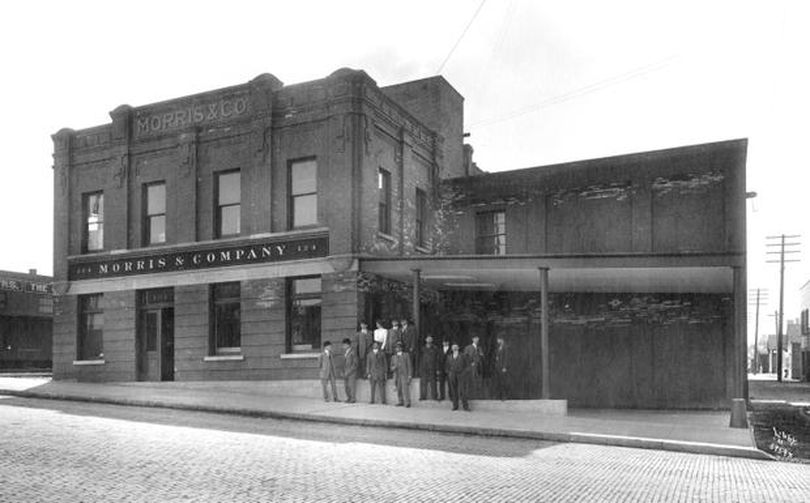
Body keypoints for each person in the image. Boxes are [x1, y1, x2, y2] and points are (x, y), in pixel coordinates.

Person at [445, 342, 470, 411]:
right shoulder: (449, 357)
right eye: (453, 347)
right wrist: (449, 373)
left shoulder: (463, 355)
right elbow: (447, 367)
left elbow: (467, 365)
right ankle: (455, 406)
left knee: (462, 391)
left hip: (461, 374)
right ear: (451, 348)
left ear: (458, 348)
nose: (455, 348)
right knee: (454, 391)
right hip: (452, 375)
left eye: (456, 347)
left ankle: (465, 407)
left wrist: (464, 373)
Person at [390, 342, 412, 407]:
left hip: (404, 375)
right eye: (396, 347)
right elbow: (391, 367)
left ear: (401, 348)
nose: (398, 349)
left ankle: (407, 402)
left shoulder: (406, 355)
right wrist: (394, 367)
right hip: (397, 375)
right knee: (399, 389)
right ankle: (400, 401)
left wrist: (409, 375)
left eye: (399, 347)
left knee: (405, 389)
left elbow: (409, 366)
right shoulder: (393, 357)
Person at [419, 336, 441, 401]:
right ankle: (423, 396)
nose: (429, 340)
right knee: (423, 382)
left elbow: (437, 359)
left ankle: (434, 396)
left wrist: (437, 369)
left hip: (432, 367)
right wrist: (420, 368)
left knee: (433, 382)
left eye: (430, 339)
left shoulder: (435, 348)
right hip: (424, 367)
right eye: (428, 338)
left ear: (432, 340)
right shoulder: (422, 348)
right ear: (425, 340)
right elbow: (420, 359)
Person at [342, 338, 358, 403]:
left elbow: (355, 364)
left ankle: (352, 399)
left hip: (351, 373)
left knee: (351, 386)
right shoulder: (345, 352)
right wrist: (343, 371)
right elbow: (343, 363)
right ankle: (348, 398)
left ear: (348, 345)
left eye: (344, 345)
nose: (343, 346)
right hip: (345, 372)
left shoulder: (353, 352)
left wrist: (349, 372)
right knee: (346, 386)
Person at [493, 336, 508, 401]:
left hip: (502, 367)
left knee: (503, 382)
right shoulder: (498, 347)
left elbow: (506, 358)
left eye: (498, 340)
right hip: (498, 366)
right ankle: (498, 396)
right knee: (498, 382)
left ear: (502, 340)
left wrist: (504, 367)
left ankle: (504, 396)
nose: (497, 341)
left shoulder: (505, 347)